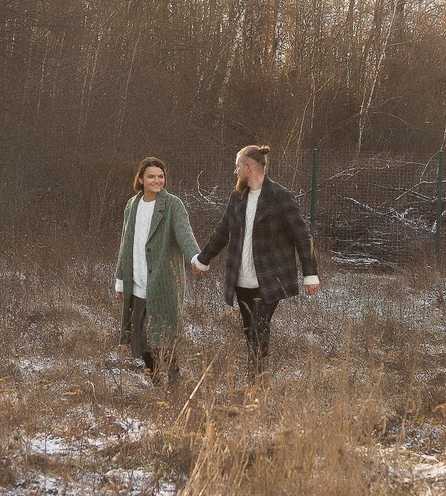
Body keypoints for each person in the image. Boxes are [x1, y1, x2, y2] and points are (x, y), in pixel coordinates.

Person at [188, 143, 319, 372]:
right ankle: (256, 375)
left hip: (270, 279)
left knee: (259, 329)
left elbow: (302, 237)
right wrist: (203, 259)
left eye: (237, 166)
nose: (235, 172)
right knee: (249, 332)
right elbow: (222, 232)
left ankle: (256, 381)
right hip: (242, 281)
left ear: (248, 167)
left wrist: (311, 274)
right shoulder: (237, 197)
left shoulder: (281, 197)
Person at [112, 156, 201, 377]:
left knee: (164, 341)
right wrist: (120, 280)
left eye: (161, 176)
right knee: (140, 341)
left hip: (163, 283)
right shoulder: (132, 205)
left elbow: (185, 235)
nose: (157, 181)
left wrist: (196, 258)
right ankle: (157, 382)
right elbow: (125, 243)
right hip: (137, 283)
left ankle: (172, 384)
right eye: (151, 176)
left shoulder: (172, 205)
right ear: (141, 179)